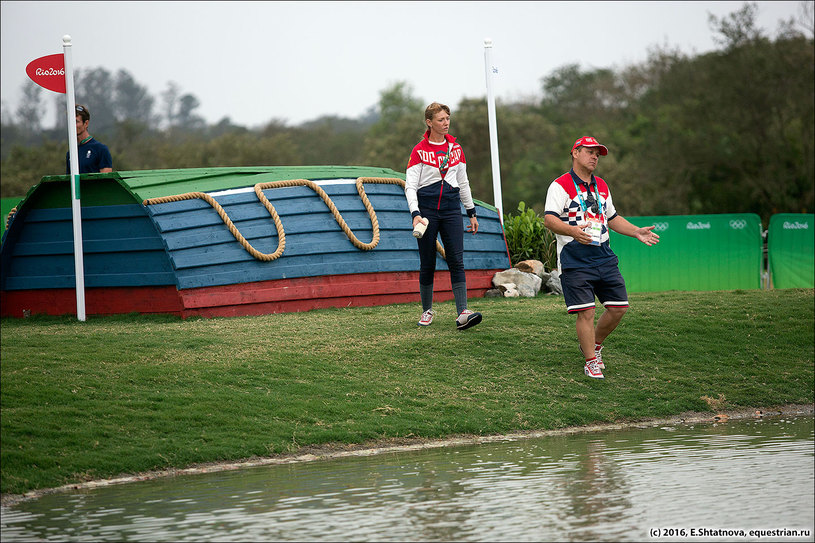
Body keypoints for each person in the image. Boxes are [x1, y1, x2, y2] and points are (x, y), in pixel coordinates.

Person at [543, 136, 660, 379]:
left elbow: (612, 218)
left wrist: (636, 231)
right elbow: (550, 219)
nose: (595, 157)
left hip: (604, 256)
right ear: (575, 153)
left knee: (619, 308)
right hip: (574, 258)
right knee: (586, 312)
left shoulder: (602, 185)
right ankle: (590, 361)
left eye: (598, 153)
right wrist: (573, 231)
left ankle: (594, 345)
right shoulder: (560, 185)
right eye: (590, 152)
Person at [404, 102, 482, 330]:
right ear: (429, 122)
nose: (446, 122)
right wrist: (415, 213)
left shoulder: (456, 149)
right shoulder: (419, 150)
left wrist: (471, 211)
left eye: (448, 118)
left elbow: (464, 182)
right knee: (427, 262)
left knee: (456, 259)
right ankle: (426, 310)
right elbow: (410, 186)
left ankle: (463, 313)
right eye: (440, 119)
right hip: (426, 212)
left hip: (450, 210)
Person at [66, 104, 113, 174]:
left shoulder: (101, 150)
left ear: (86, 123)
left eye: (76, 121)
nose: (73, 125)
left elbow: (106, 181)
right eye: (71, 121)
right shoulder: (70, 153)